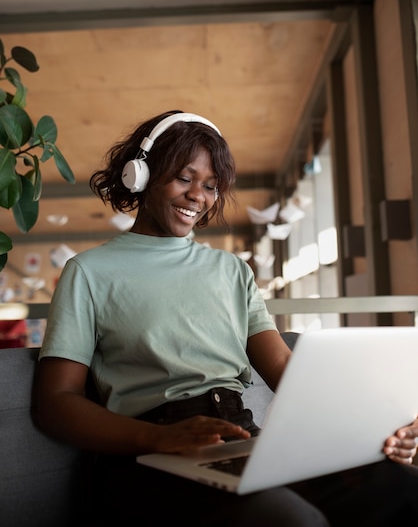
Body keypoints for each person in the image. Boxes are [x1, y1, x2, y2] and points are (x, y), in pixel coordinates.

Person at [37, 110, 418, 527]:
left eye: (211, 186)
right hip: (149, 456)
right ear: (140, 175)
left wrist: (369, 431)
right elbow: (56, 402)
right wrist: (158, 436)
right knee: (289, 519)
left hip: (240, 440)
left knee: (399, 487)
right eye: (184, 178)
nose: (197, 196)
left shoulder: (234, 271)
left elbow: (286, 371)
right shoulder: (90, 272)